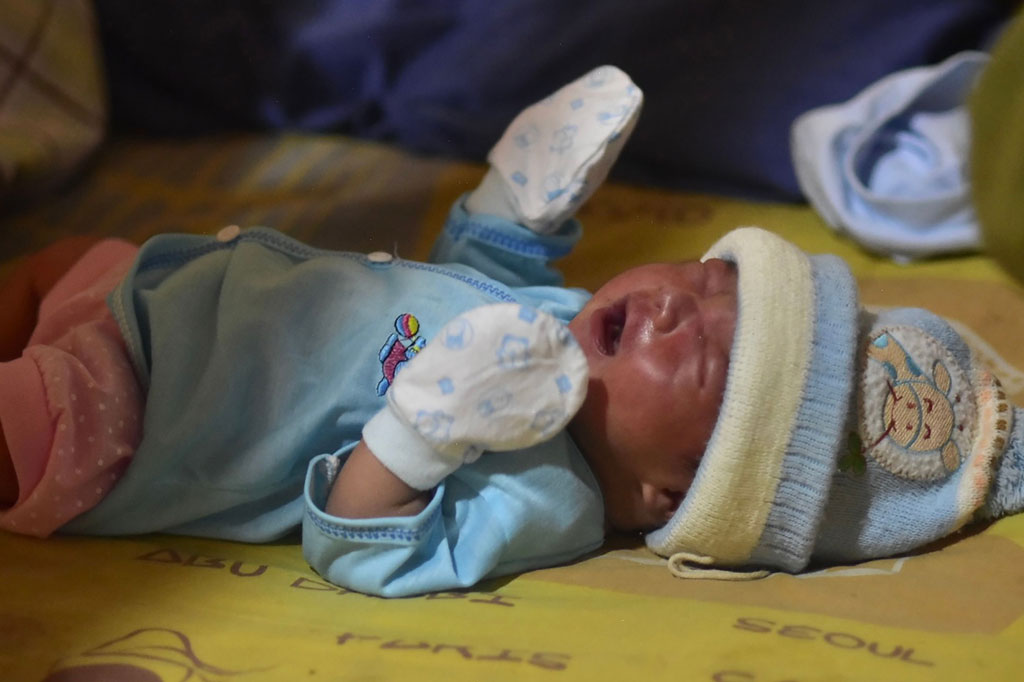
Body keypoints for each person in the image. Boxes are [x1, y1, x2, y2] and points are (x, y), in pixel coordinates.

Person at [2, 67, 1023, 597]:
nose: (672, 300)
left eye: (704, 352)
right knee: (54, 265)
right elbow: (473, 282)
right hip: (160, 292)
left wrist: (415, 437)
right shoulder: (569, 333)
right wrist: (515, 205)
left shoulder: (548, 498)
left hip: (137, 418)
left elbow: (360, 550)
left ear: (672, 489)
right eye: (711, 276)